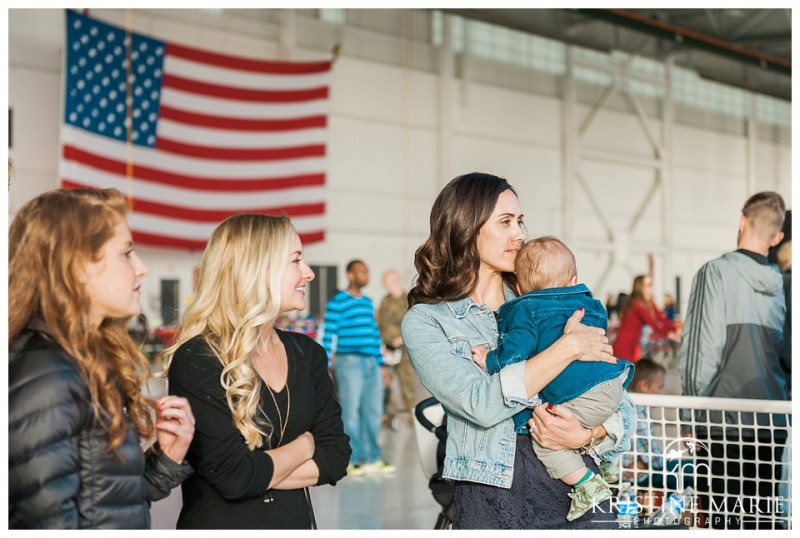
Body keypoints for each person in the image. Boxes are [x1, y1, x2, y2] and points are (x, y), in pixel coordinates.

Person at [401, 172, 637, 529]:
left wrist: (589, 435)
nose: (521, 234)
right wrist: (568, 347)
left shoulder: (552, 303)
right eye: (506, 222)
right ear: (467, 229)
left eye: (521, 221)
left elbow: (621, 403)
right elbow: (479, 403)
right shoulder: (427, 322)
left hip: (578, 487)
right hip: (495, 493)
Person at [8, 188, 195, 529]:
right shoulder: (47, 372)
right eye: (127, 254)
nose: (141, 269)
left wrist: (166, 457)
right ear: (77, 267)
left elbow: (106, 504)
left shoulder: (87, 360)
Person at [162, 214, 351, 529]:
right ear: (258, 269)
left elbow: (337, 457)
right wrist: (306, 443)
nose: (308, 273)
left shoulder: (308, 354)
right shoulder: (198, 358)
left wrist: (257, 472)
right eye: (296, 261)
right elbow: (235, 477)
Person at [469, 236, 634, 521]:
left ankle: (586, 485)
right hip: (614, 382)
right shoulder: (589, 305)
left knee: (546, 438)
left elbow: (514, 352)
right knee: (579, 423)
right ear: (573, 280)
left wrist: (490, 359)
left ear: (519, 288)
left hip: (579, 394)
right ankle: (607, 462)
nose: (517, 234)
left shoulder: (525, 309)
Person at [679, 191, 788, 529]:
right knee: (761, 517)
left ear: (742, 221)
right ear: (777, 237)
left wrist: (688, 417)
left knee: (723, 519)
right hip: (773, 424)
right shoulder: (786, 286)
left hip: (722, 426)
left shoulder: (715, 273)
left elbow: (701, 354)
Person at [322, 260, 396, 475]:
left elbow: (374, 336)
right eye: (361, 271)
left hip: (372, 363)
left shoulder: (368, 302)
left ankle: (372, 457)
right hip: (349, 362)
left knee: (374, 412)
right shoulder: (338, 302)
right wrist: (325, 367)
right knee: (351, 412)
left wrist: (381, 366)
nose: (366, 275)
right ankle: (351, 460)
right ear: (350, 275)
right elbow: (328, 335)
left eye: (367, 271)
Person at [622, 357, 694, 491]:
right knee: (692, 470)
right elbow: (653, 457)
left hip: (642, 469)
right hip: (637, 476)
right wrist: (651, 463)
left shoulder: (632, 406)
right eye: (660, 387)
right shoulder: (637, 413)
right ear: (644, 386)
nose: (663, 393)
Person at [377, 269, 418, 426]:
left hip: (404, 349)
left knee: (407, 383)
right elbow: (382, 324)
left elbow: (414, 322)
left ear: (396, 280)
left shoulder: (408, 299)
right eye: (385, 281)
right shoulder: (385, 301)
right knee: (388, 383)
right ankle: (391, 415)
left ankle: (413, 416)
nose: (387, 284)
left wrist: (401, 338)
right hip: (387, 349)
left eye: (390, 280)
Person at [613, 274, 680, 362]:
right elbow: (653, 324)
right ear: (641, 287)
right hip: (624, 345)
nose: (652, 287)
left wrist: (676, 328)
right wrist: (670, 334)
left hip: (633, 345)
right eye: (649, 285)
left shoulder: (649, 303)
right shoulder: (637, 304)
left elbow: (662, 320)